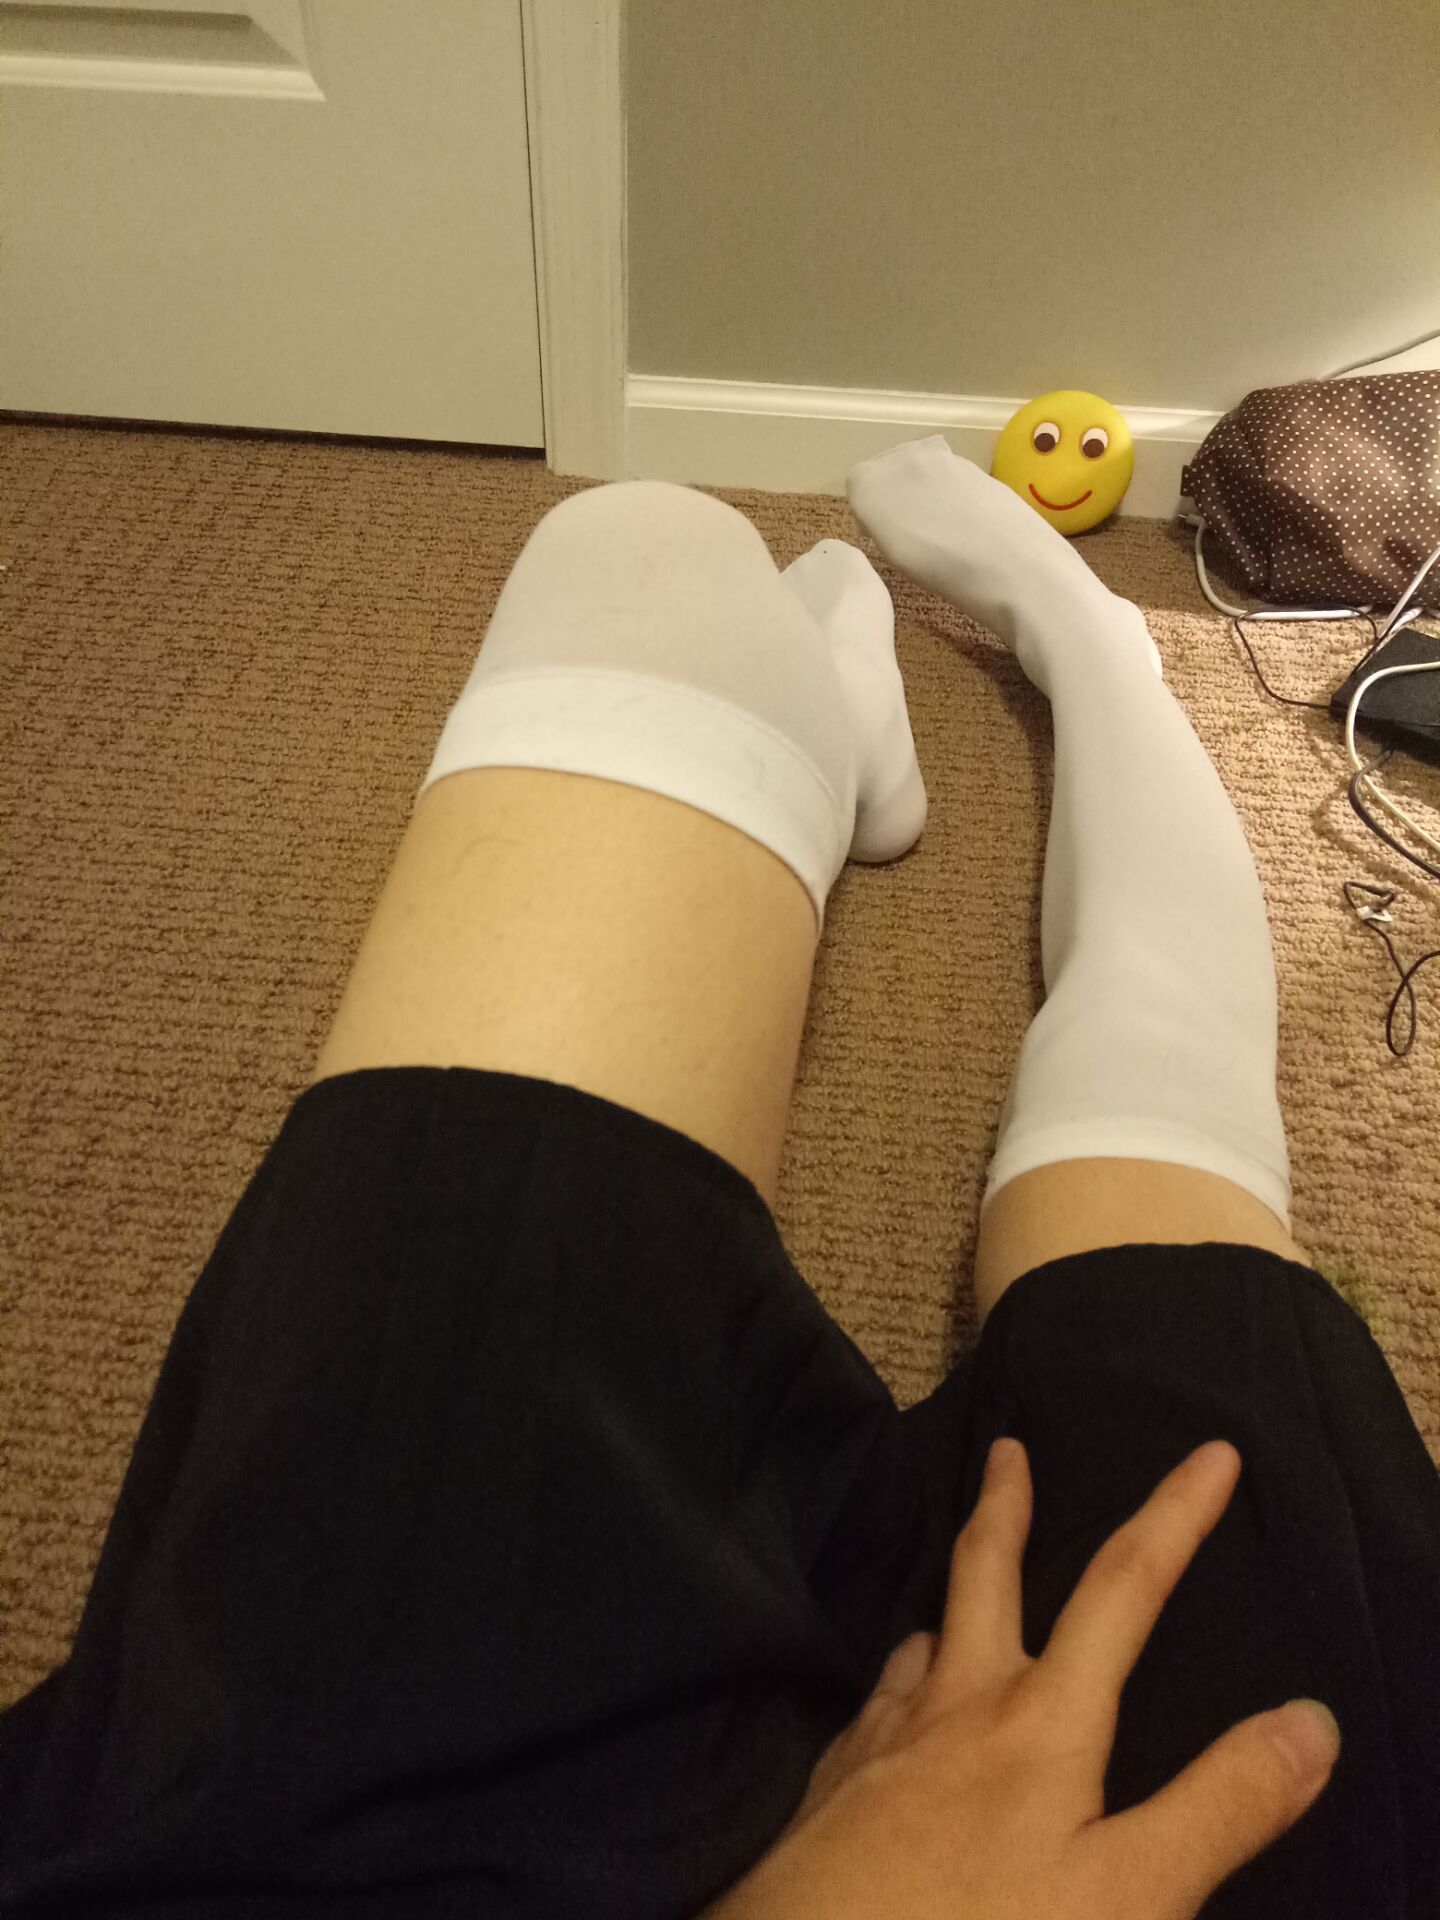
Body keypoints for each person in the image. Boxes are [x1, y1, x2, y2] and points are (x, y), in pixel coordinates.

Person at [0, 442, 1436, 1919]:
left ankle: (941, 708)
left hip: (324, 1855)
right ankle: (1101, 653)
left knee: (642, 552)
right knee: (1198, 1385)